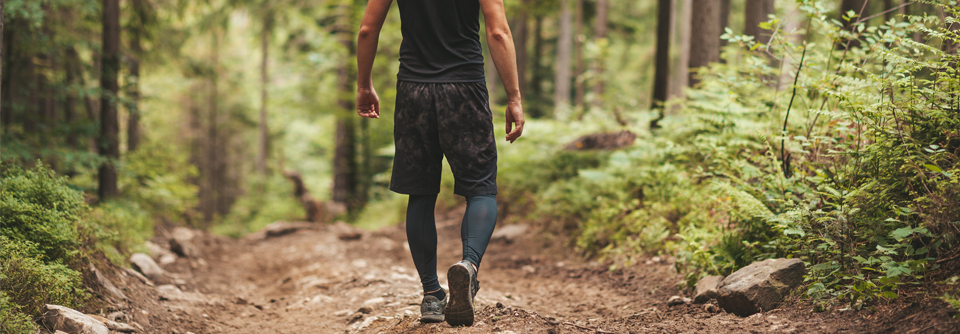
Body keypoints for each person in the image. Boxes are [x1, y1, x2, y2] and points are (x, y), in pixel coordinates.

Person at [355, 0, 524, 327]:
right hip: (465, 88)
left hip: (413, 90)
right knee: (480, 190)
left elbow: (366, 29)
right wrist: (514, 98)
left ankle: (432, 295)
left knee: (420, 193)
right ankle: (469, 267)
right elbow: (499, 32)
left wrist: (364, 85)